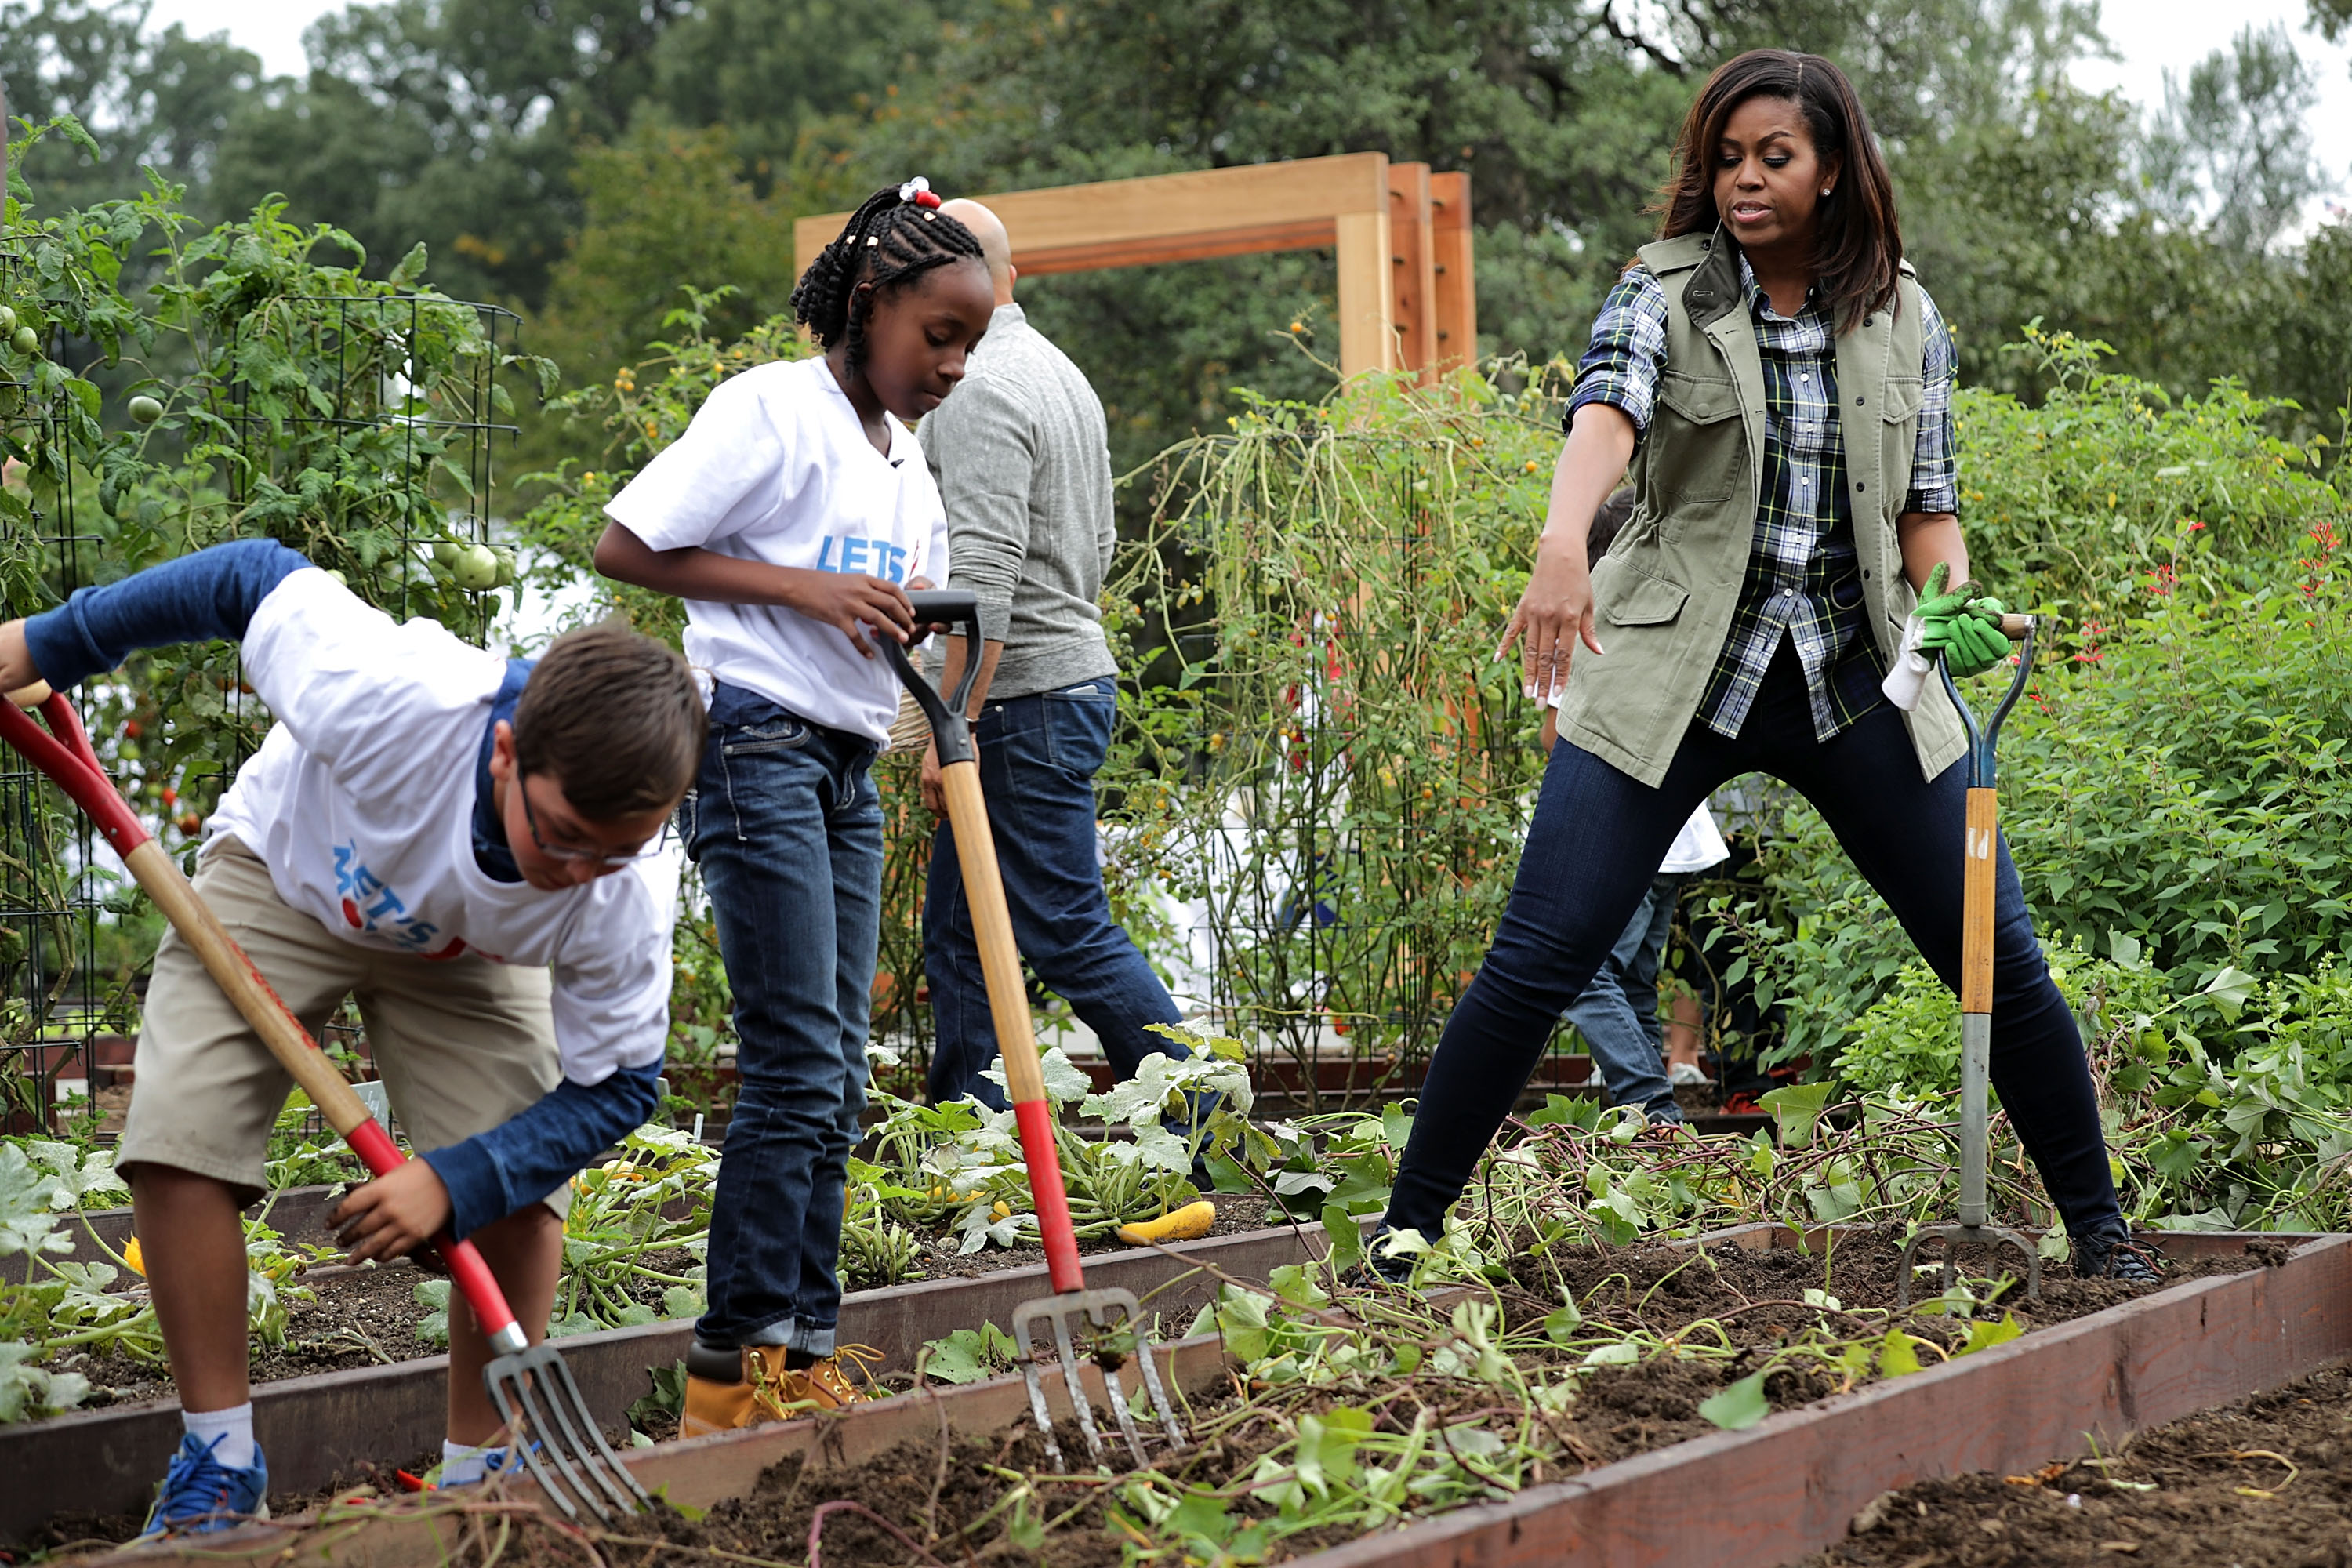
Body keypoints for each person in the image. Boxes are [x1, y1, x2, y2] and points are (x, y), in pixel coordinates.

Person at [1372, 50, 2158, 1283]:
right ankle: (1405, 1234)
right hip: (1675, 676)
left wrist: (1949, 597)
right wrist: (1560, 541)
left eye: (1773, 158)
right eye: (1727, 159)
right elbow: (1607, 412)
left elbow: (1930, 505)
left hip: (1858, 681)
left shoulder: (1902, 309)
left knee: (1995, 957)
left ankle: (2100, 1233)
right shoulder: (1664, 290)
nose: (1743, 179)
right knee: (1540, 954)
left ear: (1834, 171)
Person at [0, 540, 703, 1534]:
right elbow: (248, 578)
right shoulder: (393, 699)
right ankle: (219, 1457)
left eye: (615, 850)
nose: (584, 868)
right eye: (561, 833)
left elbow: (620, 1085)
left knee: (520, 1187)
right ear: (506, 751)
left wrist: (458, 1177)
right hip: (287, 876)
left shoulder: (618, 889)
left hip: (472, 953)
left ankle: (485, 1470)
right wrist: (52, 640)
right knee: (179, 1136)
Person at [593, 177, 996, 1433]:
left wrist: (913, 622)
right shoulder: (771, 409)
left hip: (844, 757)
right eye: (940, 335)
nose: (954, 365)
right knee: (793, 1061)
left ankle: (801, 1352)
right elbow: (626, 544)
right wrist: (804, 594)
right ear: (870, 305)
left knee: (841, 1067)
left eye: (971, 344)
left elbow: (907, 603)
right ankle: (725, 1372)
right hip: (753, 738)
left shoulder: (905, 459)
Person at [913, 198, 1195, 1111]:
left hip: (1016, 696)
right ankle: (976, 1130)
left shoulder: (976, 389)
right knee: (958, 932)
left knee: (1067, 926)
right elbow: (1102, 539)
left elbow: (983, 577)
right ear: (1013, 277)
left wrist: (949, 721)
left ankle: (1203, 1105)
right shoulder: (1058, 372)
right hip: (1055, 677)